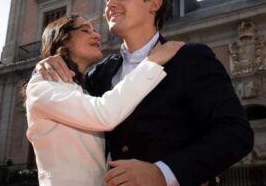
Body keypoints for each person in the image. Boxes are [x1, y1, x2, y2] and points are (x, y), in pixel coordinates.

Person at [38, 0, 254, 186]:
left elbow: (235, 134)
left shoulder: (191, 58)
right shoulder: (99, 75)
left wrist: (164, 173)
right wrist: (50, 61)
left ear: (154, 4)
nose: (109, 5)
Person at [25, 14, 184, 186]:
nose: (97, 35)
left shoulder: (84, 89)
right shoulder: (42, 86)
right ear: (63, 40)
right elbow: (104, 114)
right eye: (85, 30)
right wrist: (152, 62)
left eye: (94, 30)